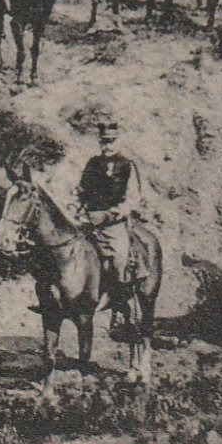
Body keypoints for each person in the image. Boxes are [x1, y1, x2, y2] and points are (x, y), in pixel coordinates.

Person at [76, 118, 147, 323]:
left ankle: (122, 300)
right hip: (90, 219)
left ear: (118, 141)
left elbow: (133, 197)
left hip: (113, 222)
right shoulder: (92, 163)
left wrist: (115, 213)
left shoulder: (126, 165)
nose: (107, 145)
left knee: (119, 257)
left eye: (111, 141)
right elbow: (82, 189)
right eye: (104, 141)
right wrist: (79, 201)